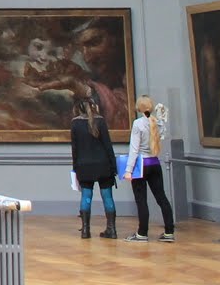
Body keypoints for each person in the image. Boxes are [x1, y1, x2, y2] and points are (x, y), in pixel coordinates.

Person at [124, 94, 176, 242]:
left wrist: (128, 170)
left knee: (141, 200)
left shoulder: (138, 123)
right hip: (155, 163)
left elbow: (134, 149)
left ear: (139, 108)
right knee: (162, 198)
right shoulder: (157, 123)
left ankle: (142, 233)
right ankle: (169, 232)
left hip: (141, 165)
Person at [69, 97, 118, 239]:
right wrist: (113, 166)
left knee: (86, 196)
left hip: (84, 165)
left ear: (78, 108)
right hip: (103, 164)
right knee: (107, 196)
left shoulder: (75, 123)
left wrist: (75, 168)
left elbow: (75, 149)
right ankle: (112, 230)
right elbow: (108, 145)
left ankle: (85, 230)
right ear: (93, 107)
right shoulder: (100, 121)